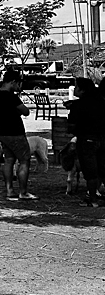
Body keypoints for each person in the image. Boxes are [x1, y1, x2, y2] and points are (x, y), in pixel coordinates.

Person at [0, 69, 37, 201]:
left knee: (8, 160)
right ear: (13, 82)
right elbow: (26, 111)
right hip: (15, 132)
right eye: (18, 84)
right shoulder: (12, 97)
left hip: (2, 131)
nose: (19, 87)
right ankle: (23, 192)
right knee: (24, 161)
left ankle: (9, 190)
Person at [66, 77, 104, 207]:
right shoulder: (101, 102)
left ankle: (92, 199)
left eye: (76, 87)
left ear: (82, 90)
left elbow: (71, 125)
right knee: (101, 168)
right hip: (102, 138)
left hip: (86, 139)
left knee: (90, 171)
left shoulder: (78, 105)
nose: (74, 89)